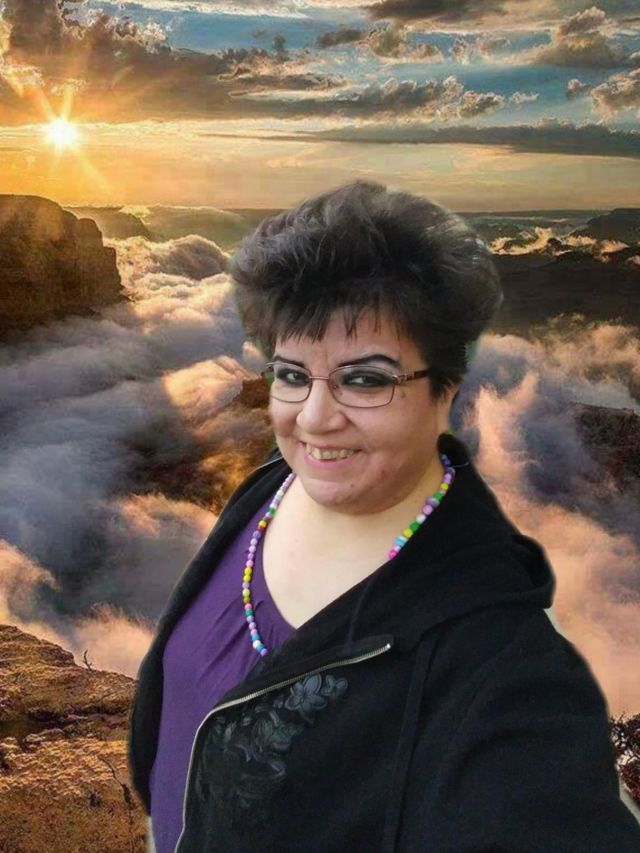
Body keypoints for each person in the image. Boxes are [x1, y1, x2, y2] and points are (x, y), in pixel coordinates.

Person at [128, 180, 640, 852]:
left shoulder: (498, 667)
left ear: (444, 388)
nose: (314, 418)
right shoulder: (269, 487)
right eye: (291, 374)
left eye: (366, 379)